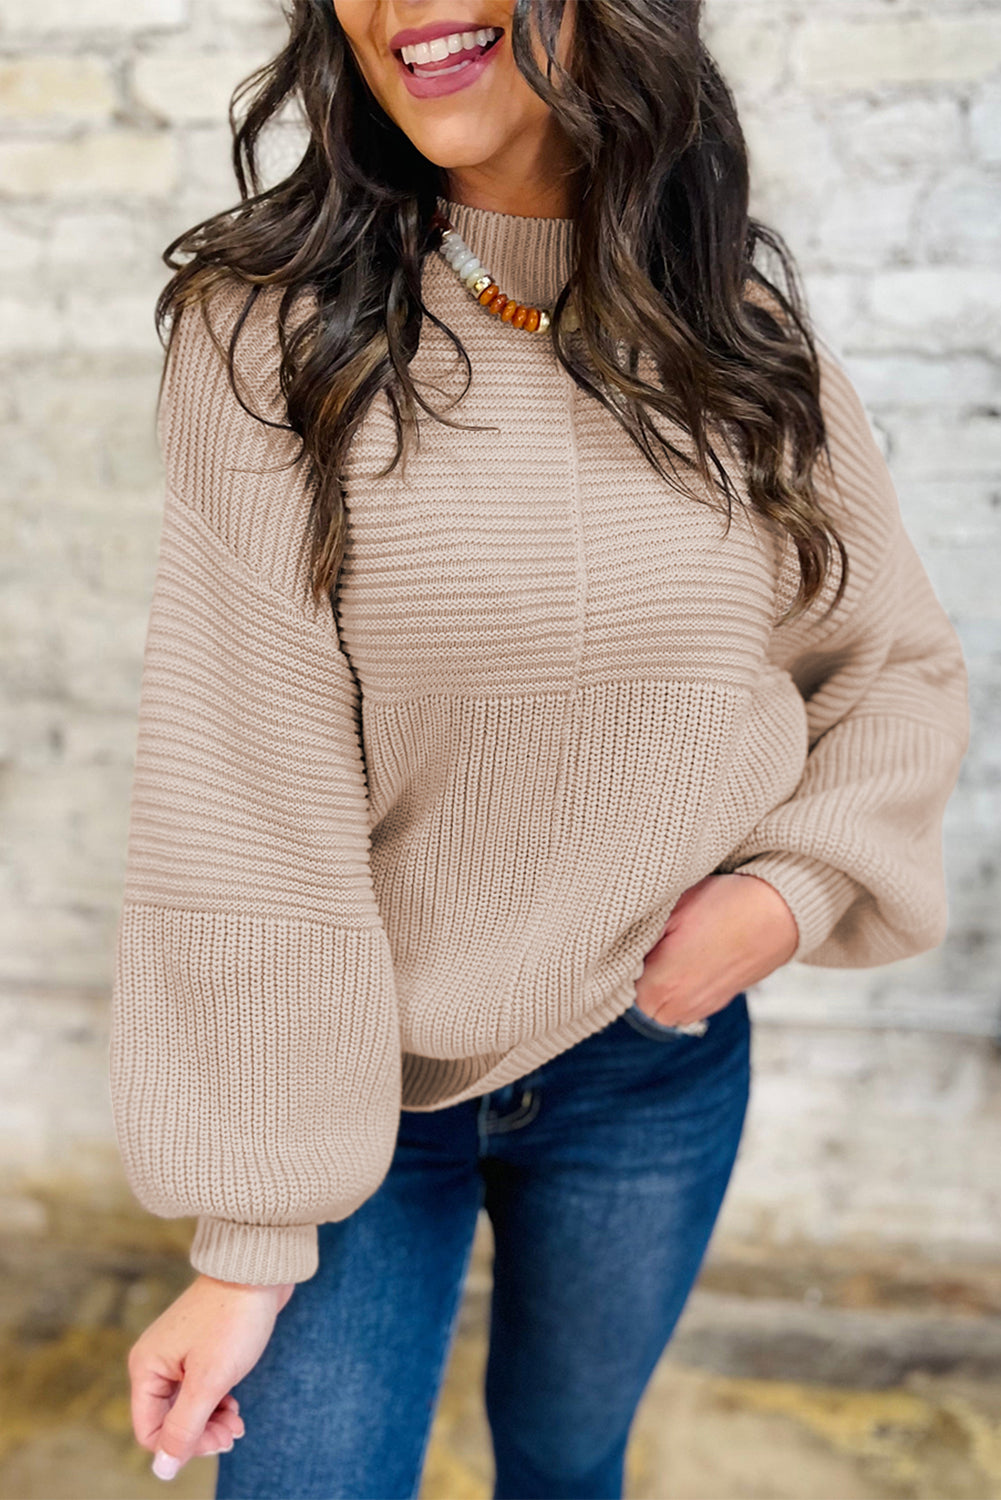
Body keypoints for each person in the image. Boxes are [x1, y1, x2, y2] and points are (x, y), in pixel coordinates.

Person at [112, 1, 970, 1496]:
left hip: (646, 1067)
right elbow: (245, 789)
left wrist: (785, 895)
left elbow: (890, 668)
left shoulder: (745, 345)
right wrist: (250, 1241)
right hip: (355, 1088)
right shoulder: (263, 330)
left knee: (569, 1467)